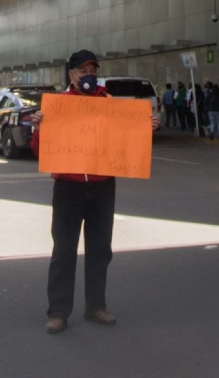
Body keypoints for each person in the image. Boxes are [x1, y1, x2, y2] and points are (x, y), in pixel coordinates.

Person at [29, 49, 160, 334]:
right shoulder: (58, 105)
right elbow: (40, 152)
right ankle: (58, 312)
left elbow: (126, 140)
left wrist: (144, 128)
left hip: (102, 186)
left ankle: (95, 306)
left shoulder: (109, 103)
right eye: (83, 71)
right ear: (71, 75)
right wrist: (39, 129)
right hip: (68, 187)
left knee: (100, 250)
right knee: (63, 250)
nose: (89, 76)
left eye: (93, 71)